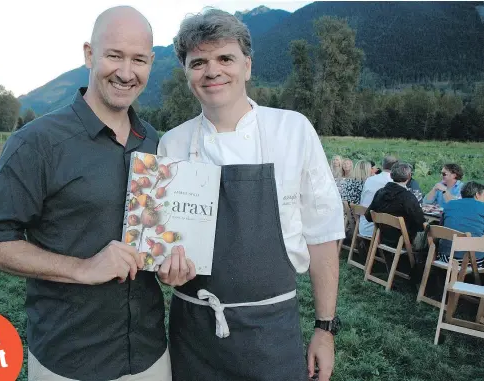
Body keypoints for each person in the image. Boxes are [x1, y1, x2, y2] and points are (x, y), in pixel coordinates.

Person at [0, 7, 194, 381]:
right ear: (89, 54)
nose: (126, 72)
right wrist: (83, 268)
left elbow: (156, 238)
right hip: (70, 362)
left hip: (150, 356)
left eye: (138, 59)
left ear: (151, 62)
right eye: (114, 55)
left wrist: (169, 266)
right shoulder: (37, 143)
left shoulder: (158, 144)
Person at [158, 9, 344, 381]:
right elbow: (165, 245)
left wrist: (325, 329)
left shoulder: (292, 130)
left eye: (225, 58)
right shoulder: (172, 143)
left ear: (248, 65)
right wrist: (168, 270)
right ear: (186, 72)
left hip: (272, 331)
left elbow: (322, 235)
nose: (212, 71)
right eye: (198, 62)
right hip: (193, 333)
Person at [364, 162, 425, 247]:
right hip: (402, 240)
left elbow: (368, 216)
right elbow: (420, 223)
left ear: (391, 175)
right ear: (409, 176)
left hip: (382, 236)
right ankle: (420, 258)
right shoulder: (408, 197)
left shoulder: (380, 192)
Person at [438, 181, 484, 268]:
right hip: (474, 260)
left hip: (446, 257)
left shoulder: (449, 204)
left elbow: (441, 227)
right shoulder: (482, 207)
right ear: (477, 195)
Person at [358, 155, 398, 237]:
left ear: (382, 165)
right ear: (395, 167)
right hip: (379, 231)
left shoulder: (369, 179)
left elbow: (362, 201)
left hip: (363, 226)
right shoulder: (394, 183)